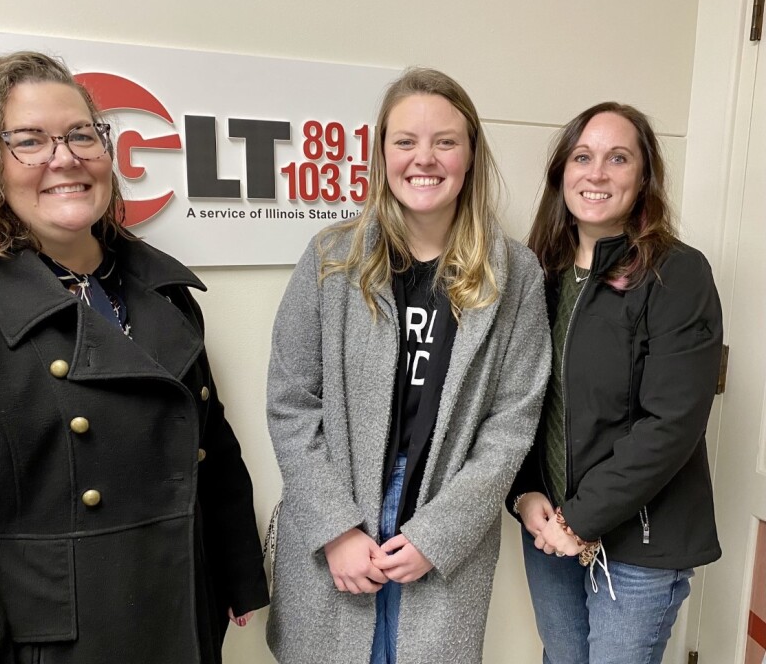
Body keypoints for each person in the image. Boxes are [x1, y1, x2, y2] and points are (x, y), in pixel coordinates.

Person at [0, 51, 268, 664]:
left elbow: (209, 445)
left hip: (180, 614)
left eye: (81, 136)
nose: (64, 158)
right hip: (57, 641)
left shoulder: (162, 288)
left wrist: (235, 569)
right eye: (29, 141)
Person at [265, 67, 550, 664]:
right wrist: (335, 528)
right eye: (406, 141)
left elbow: (511, 424)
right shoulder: (331, 258)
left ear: (470, 154)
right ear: (382, 154)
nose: (425, 158)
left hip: (443, 512)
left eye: (445, 141)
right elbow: (292, 402)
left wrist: (437, 535)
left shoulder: (516, 274)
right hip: (341, 508)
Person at [507, 102, 723, 664]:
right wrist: (525, 493)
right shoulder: (538, 274)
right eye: (583, 157)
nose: (597, 173)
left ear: (644, 176)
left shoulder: (676, 274)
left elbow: (671, 422)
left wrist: (580, 520)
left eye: (618, 158)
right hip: (550, 530)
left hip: (638, 543)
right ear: (562, 173)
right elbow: (518, 400)